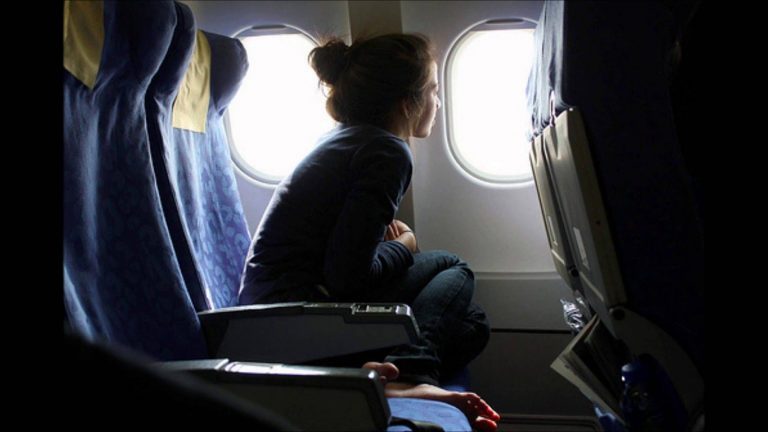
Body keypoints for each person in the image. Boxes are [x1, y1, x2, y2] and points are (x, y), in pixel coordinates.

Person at [238, 33, 499, 431]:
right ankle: (407, 377)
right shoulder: (388, 151)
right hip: (295, 317)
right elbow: (348, 279)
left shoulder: (346, 139)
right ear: (407, 103)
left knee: (472, 323)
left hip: (277, 315)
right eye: (433, 90)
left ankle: (370, 371)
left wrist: (384, 247)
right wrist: (406, 244)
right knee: (453, 267)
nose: (439, 102)